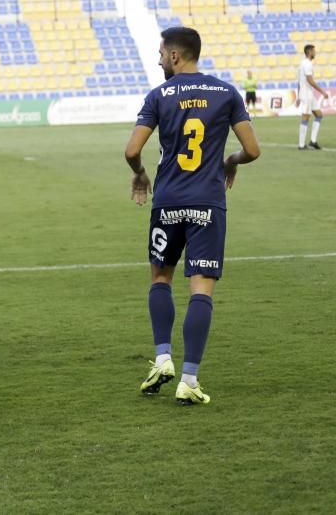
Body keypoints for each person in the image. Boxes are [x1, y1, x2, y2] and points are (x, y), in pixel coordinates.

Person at [125, 26, 260, 405]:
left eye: (161, 53)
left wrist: (139, 174)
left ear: (175, 56)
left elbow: (132, 149)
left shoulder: (159, 95)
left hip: (167, 201)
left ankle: (163, 357)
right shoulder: (226, 92)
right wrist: (230, 160)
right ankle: (189, 379)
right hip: (208, 203)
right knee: (201, 286)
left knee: (160, 276)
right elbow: (252, 149)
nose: (158, 59)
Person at [297, 44, 329, 150]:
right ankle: (301, 145)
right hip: (306, 94)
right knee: (306, 116)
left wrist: (298, 96)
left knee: (319, 115)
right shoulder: (307, 64)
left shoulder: (303, 63)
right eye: (314, 51)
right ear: (309, 51)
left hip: (308, 93)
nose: (315, 52)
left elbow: (299, 81)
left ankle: (313, 141)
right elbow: (309, 80)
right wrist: (322, 92)